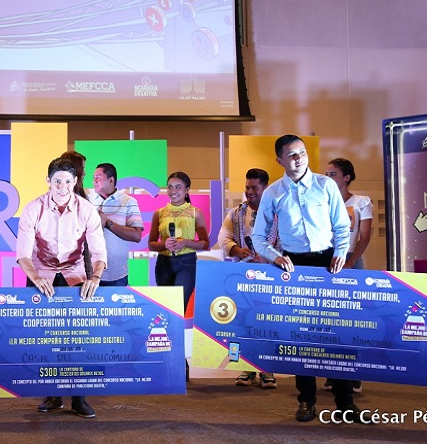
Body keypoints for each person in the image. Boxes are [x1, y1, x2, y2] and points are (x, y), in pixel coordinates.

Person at [252, 134, 360, 423]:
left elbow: (342, 225)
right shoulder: (273, 193)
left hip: (328, 263)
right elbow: (258, 237)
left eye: (301, 152)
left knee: (336, 334)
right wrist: (275, 257)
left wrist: (341, 252)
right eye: (292, 154)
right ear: (280, 160)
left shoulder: (326, 186)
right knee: (300, 336)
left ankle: (345, 403)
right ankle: (306, 401)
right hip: (294, 265)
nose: (298, 158)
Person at [17, 157, 107, 418]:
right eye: (57, 181)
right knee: (44, 338)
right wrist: (36, 278)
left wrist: (95, 277)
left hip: (74, 275)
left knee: (78, 338)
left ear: (75, 181)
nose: (62, 187)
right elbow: (23, 255)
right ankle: (52, 395)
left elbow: (99, 252)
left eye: (67, 181)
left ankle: (79, 398)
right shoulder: (33, 208)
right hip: (40, 275)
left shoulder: (87, 209)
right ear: (48, 181)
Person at [216, 168, 278, 388]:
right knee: (243, 323)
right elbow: (223, 237)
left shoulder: (278, 213)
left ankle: (267, 370)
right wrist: (237, 250)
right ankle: (247, 368)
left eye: (254, 188)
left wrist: (270, 257)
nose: (249, 192)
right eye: (247, 187)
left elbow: (288, 242)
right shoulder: (236, 214)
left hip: (271, 275)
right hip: (242, 276)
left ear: (265, 188)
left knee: (266, 323)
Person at [323, 157, 372, 394]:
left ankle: (353, 374)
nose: (328, 178)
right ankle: (332, 373)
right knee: (328, 319)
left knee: (352, 320)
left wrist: (351, 261)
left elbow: (365, 236)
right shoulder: (322, 201)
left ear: (347, 177)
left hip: (351, 260)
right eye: (326, 175)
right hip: (327, 260)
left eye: (333, 174)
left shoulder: (361, 202)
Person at [148, 171, 210, 311]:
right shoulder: (159, 213)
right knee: (165, 307)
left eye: (178, 187)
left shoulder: (195, 213)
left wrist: (186, 242)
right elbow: (151, 244)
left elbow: (205, 243)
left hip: (187, 263)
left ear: (187, 189)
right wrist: (164, 244)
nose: (173, 191)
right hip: (163, 263)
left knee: (179, 306)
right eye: (170, 187)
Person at [89, 163, 144, 286]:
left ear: (111, 180)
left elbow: (136, 236)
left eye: (98, 177)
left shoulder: (128, 202)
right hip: (90, 273)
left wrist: (108, 223)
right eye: (93, 177)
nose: (94, 181)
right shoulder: (88, 201)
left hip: (117, 274)